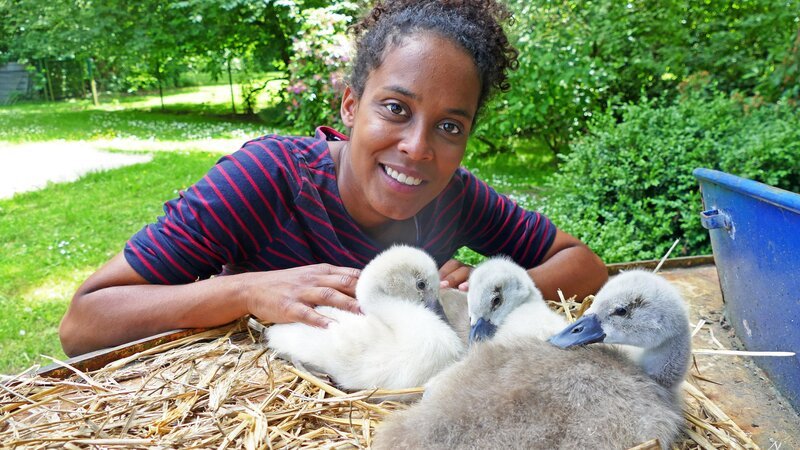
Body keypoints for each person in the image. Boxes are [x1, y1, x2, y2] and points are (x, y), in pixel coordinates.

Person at [59, 0, 608, 357]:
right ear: (350, 105)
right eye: (395, 108)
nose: (418, 147)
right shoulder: (266, 179)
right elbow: (83, 324)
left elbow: (584, 265)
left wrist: (490, 291)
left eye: (449, 126)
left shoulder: (456, 197)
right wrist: (246, 290)